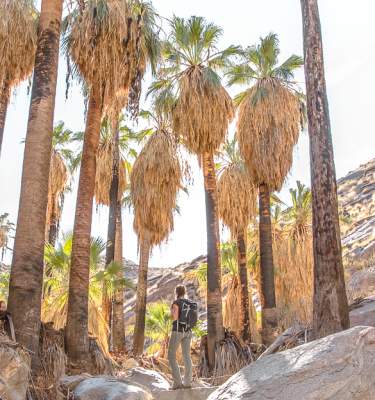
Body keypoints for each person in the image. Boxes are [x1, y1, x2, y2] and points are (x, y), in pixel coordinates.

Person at [168, 285, 193, 390]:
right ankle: (187, 382)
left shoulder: (176, 303)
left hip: (177, 331)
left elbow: (175, 317)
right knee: (187, 355)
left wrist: (171, 313)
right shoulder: (190, 303)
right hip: (188, 331)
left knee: (171, 355)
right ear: (184, 292)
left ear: (176, 292)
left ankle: (177, 382)